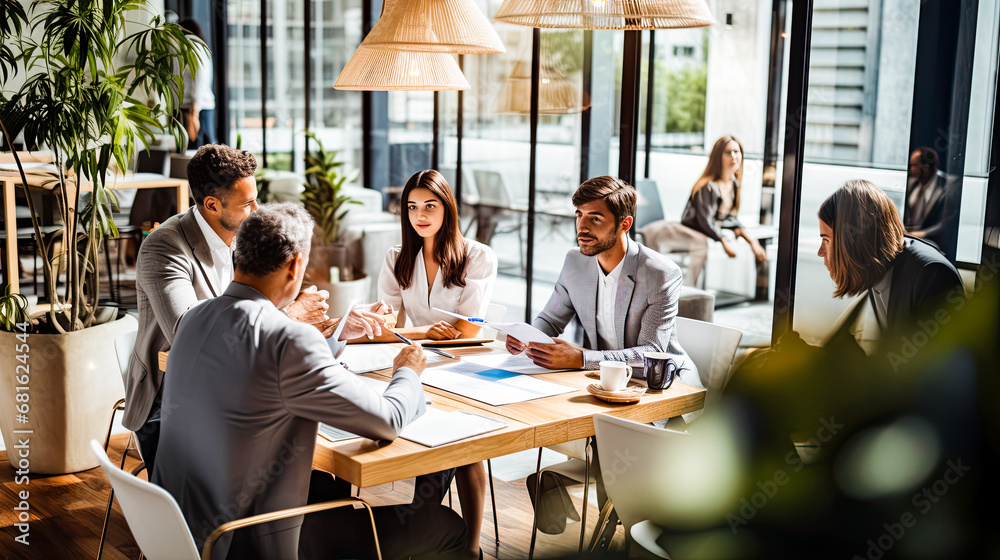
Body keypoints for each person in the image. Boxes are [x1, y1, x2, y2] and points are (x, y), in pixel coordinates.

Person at [151, 203, 467, 560]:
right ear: (295, 265)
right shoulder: (289, 341)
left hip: (180, 532)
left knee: (326, 492)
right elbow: (388, 420)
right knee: (444, 525)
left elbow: (263, 371)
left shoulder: (194, 318)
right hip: (249, 543)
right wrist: (408, 370)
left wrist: (331, 340)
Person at [122, 144, 386, 472]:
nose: (257, 209)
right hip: (172, 403)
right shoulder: (163, 248)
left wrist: (336, 326)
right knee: (296, 456)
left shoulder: (243, 237)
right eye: (247, 203)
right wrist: (290, 316)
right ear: (212, 205)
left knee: (311, 444)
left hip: (237, 388)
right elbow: (190, 334)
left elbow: (263, 320)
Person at [376, 169, 498, 560]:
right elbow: (385, 325)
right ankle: (426, 534)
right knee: (435, 439)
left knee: (466, 446)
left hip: (466, 367)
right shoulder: (397, 257)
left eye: (430, 206)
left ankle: (470, 549)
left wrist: (413, 334)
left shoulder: (478, 256)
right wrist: (425, 334)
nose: (420, 215)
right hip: (420, 363)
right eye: (412, 207)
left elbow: (467, 328)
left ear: (448, 208)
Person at [817, 179, 963, 354]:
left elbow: (932, 372)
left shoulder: (932, 275)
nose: (820, 252)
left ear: (856, 241)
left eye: (826, 240)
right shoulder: (878, 270)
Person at [639, 136, 765, 286]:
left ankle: (692, 292)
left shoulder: (733, 184)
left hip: (694, 234)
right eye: (728, 152)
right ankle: (689, 291)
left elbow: (729, 220)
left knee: (706, 242)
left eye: (736, 152)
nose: (733, 157)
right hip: (672, 232)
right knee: (701, 243)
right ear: (718, 157)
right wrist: (723, 240)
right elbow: (704, 220)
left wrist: (753, 242)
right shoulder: (707, 186)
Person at [179, 19, 217, 147]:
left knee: (199, 151)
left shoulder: (195, 48)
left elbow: (200, 79)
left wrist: (194, 111)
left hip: (196, 107)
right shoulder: (198, 47)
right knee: (203, 150)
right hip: (198, 106)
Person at [904, 147, 950, 250]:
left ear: (926, 166)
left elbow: (946, 225)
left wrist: (919, 234)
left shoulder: (945, 188)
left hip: (931, 245)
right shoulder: (911, 183)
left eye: (914, 165)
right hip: (909, 241)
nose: (911, 168)